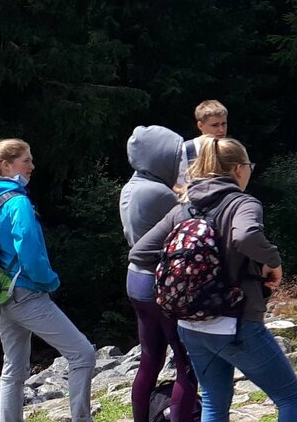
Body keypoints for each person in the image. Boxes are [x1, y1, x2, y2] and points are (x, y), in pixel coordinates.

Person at [131, 137, 297, 422]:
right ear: (238, 168)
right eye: (249, 165)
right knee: (290, 397)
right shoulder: (242, 203)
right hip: (235, 323)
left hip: (190, 325)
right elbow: (246, 235)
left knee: (214, 401)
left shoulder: (183, 208)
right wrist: (273, 261)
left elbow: (140, 252)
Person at [0, 137, 97, 422]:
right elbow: (28, 249)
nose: (32, 166)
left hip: (1, 295)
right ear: (6, 165)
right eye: (26, 160)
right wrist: (50, 281)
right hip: (27, 294)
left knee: (13, 369)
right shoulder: (17, 203)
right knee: (83, 355)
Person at [119, 125, 199, 422]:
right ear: (159, 156)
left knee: (150, 360)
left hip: (136, 279)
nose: (180, 162)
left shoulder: (133, 186)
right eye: (175, 155)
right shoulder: (158, 192)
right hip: (162, 284)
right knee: (186, 363)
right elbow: (192, 223)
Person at [178, 100, 229, 190]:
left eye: (223, 124)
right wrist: (184, 192)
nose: (221, 130)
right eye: (215, 125)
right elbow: (164, 179)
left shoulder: (231, 151)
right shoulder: (184, 150)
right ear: (200, 126)